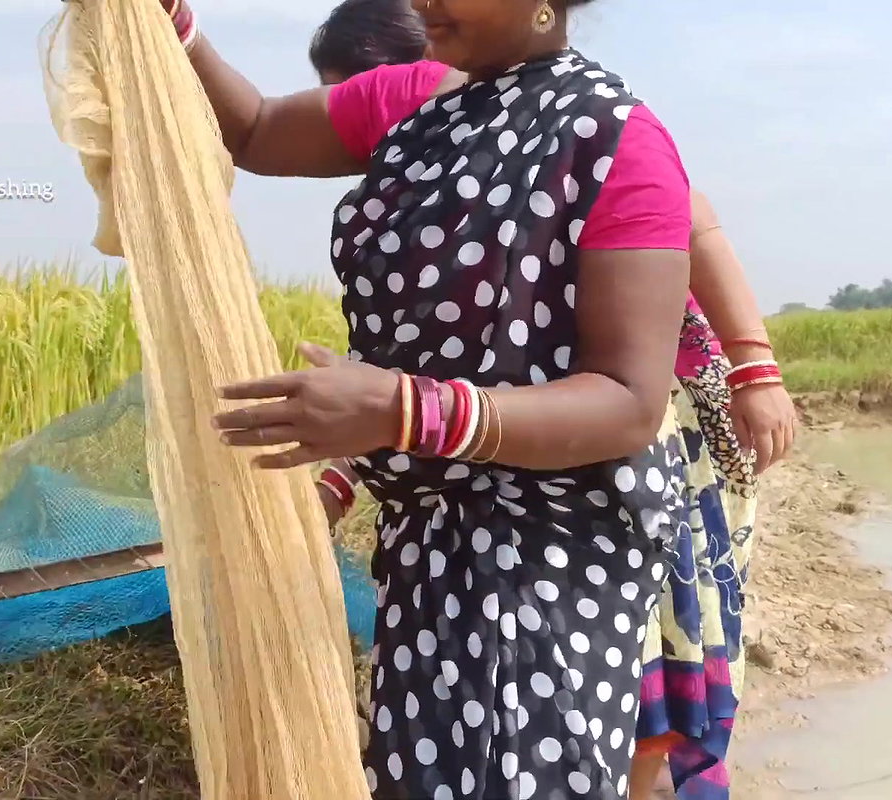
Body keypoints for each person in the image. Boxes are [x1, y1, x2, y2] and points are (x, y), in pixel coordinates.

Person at [143, 0, 791, 797]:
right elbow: (255, 130)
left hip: (556, 551)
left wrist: (400, 413)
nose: (424, 2)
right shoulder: (414, 97)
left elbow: (625, 399)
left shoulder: (615, 137)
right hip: (426, 546)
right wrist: (170, 20)